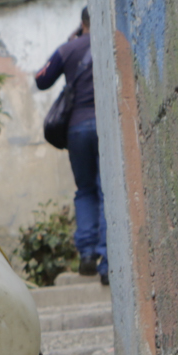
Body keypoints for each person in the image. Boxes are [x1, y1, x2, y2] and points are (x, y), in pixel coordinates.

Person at [35, 15, 104, 281]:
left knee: (86, 191)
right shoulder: (109, 40)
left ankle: (87, 254)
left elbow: (41, 79)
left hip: (76, 130)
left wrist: (69, 44)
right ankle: (108, 261)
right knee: (105, 190)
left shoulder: (68, 49)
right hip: (104, 125)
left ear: (82, 22)